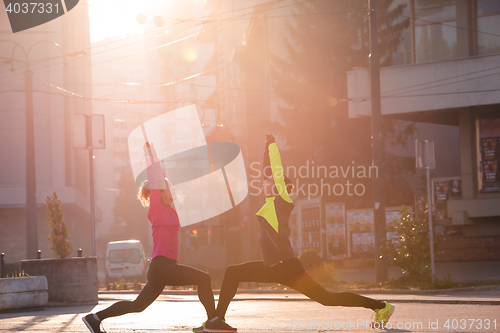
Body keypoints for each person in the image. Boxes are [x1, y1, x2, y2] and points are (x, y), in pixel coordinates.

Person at [214, 134, 395, 332]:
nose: (263, 184)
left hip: (287, 267)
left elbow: (273, 170)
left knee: (327, 299)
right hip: (272, 267)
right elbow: (267, 174)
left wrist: (270, 146)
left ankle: (381, 307)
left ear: (278, 187)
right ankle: (217, 321)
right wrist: (265, 152)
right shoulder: (269, 205)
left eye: (268, 182)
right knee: (232, 272)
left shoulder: (281, 202)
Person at [83, 142, 228, 333]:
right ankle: (213, 321)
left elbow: (163, 181)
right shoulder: (157, 209)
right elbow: (155, 179)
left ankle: (94, 318)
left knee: (137, 306)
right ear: (159, 192)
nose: (173, 189)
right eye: (168, 187)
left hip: (164, 268)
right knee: (204, 278)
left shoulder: (169, 210)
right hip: (162, 266)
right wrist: (151, 156)